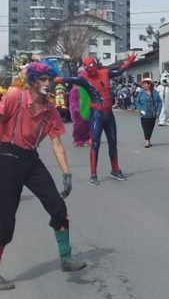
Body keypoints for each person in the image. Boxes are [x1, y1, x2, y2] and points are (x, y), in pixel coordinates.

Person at [0, 61, 86, 291]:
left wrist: (67, 174)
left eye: (50, 79)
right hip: (7, 155)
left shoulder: (50, 110)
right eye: (43, 79)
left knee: (58, 207)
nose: (47, 83)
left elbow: (56, 143)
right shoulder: (15, 98)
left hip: (30, 158)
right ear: (33, 81)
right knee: (5, 219)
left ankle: (66, 259)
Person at [57, 54, 136, 185]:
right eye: (87, 68)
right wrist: (59, 79)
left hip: (108, 113)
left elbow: (119, 71)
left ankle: (115, 170)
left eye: (91, 66)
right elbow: (73, 79)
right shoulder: (84, 79)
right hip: (97, 114)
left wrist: (129, 61)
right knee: (95, 143)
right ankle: (93, 174)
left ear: (95, 65)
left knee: (113, 141)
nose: (90, 70)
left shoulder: (105, 73)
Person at [135, 78, 162, 148]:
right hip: (144, 113)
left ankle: (149, 139)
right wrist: (140, 109)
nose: (144, 85)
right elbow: (137, 102)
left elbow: (159, 101)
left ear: (149, 84)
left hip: (152, 113)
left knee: (151, 127)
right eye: (143, 84)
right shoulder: (141, 93)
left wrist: (158, 110)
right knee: (145, 127)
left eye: (145, 84)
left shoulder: (155, 92)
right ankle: (146, 140)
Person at [69, 82, 91, 147]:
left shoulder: (88, 88)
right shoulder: (75, 90)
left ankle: (87, 138)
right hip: (78, 112)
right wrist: (75, 110)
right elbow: (72, 101)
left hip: (87, 110)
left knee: (88, 126)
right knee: (78, 126)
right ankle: (77, 140)